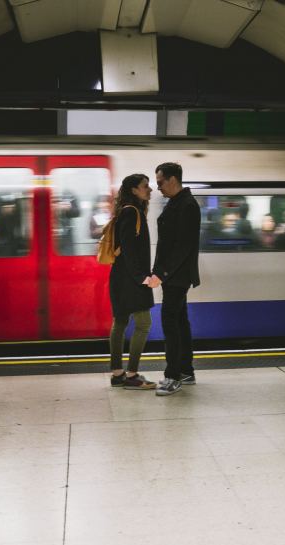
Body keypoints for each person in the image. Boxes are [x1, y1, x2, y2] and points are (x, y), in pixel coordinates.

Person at [150, 162, 201, 396]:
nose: (158, 187)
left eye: (160, 182)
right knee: (180, 322)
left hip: (177, 276)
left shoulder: (187, 205)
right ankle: (186, 370)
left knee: (170, 323)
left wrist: (163, 273)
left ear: (172, 180)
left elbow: (183, 246)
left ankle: (173, 376)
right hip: (174, 275)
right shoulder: (177, 203)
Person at [108, 174, 156, 390]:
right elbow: (128, 247)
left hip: (121, 276)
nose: (150, 190)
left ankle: (118, 374)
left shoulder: (126, 211)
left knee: (120, 323)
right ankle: (132, 375)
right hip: (130, 279)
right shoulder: (131, 212)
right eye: (146, 186)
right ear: (134, 190)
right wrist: (142, 277)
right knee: (144, 324)